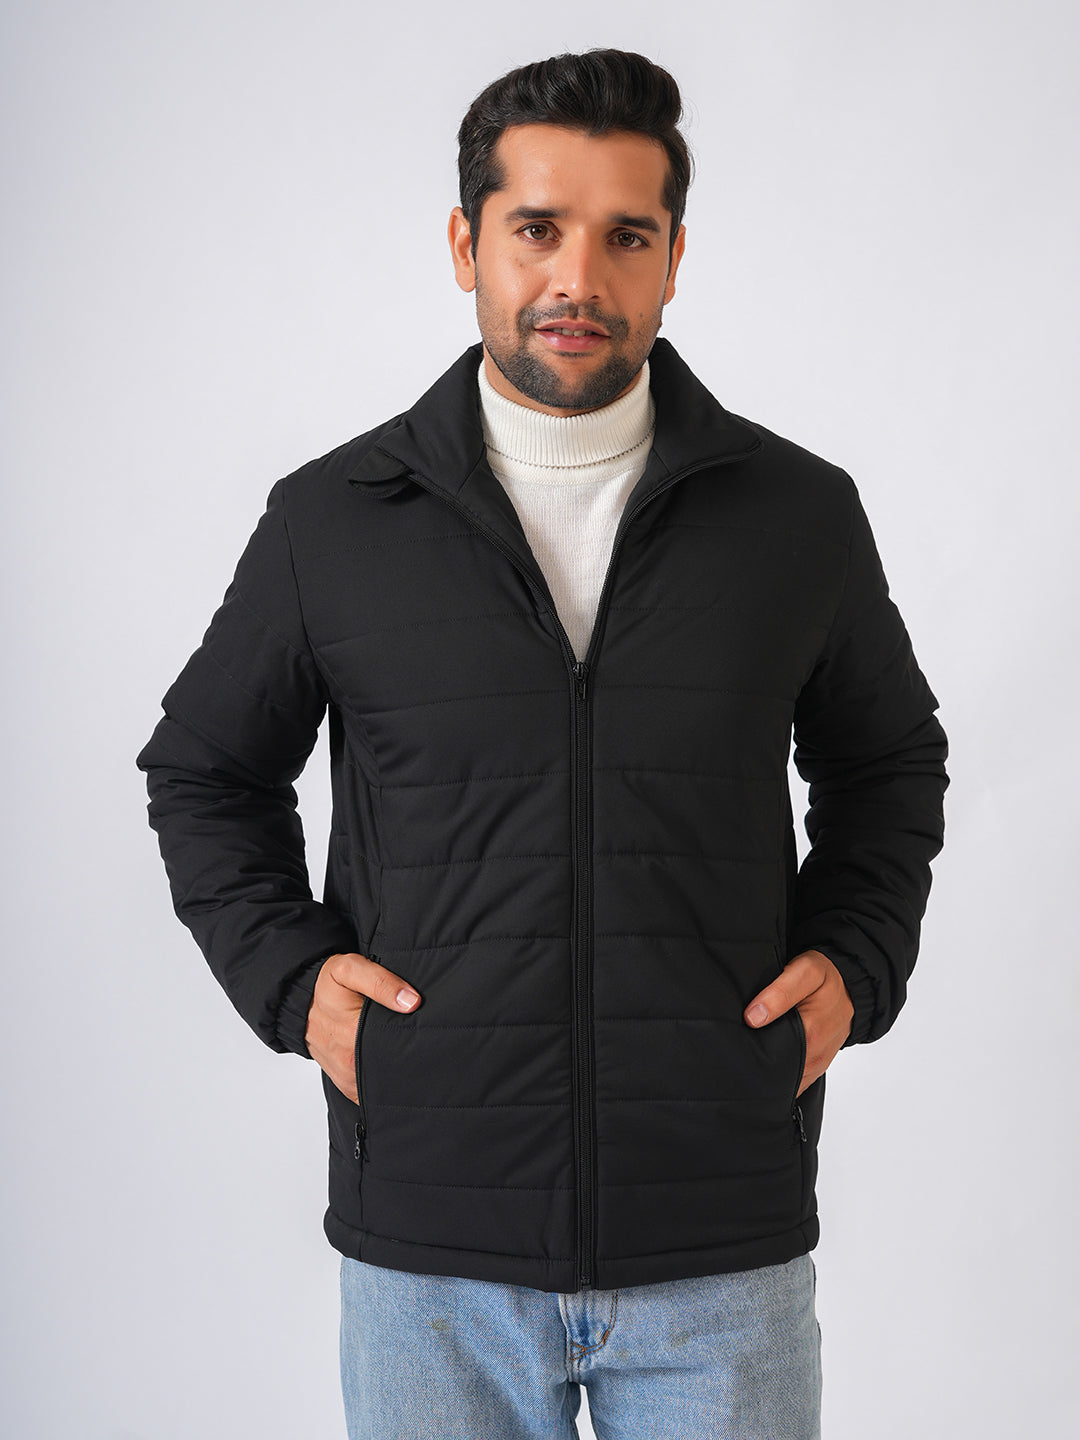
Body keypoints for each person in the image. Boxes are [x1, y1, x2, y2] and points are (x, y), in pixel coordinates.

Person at [137, 48, 948, 1440]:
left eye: (626, 236)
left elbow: (888, 767)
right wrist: (290, 978)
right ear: (467, 245)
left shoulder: (797, 517)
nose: (579, 278)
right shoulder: (333, 521)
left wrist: (857, 963)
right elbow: (205, 771)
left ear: (674, 258)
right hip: (432, 1253)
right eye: (537, 229)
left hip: (719, 1242)